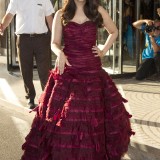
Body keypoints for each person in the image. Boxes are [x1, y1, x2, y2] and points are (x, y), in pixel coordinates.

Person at [21, 0, 134, 160]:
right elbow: (54, 43)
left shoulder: (97, 10)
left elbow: (114, 31)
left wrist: (102, 50)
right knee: (69, 116)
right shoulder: (61, 13)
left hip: (92, 71)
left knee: (91, 117)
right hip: (68, 70)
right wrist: (59, 53)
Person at [0, 0, 55, 109]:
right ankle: (30, 97)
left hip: (41, 39)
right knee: (25, 71)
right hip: (23, 39)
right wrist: (2, 26)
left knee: (45, 70)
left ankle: (47, 98)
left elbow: (50, 19)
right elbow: (9, 15)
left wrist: (55, 36)